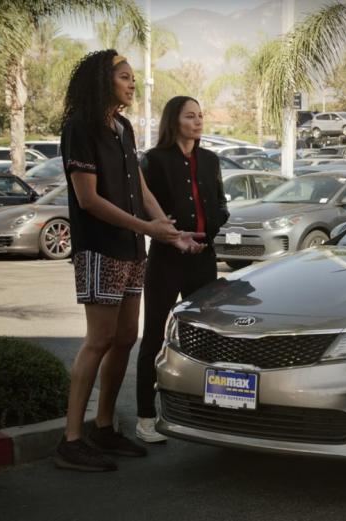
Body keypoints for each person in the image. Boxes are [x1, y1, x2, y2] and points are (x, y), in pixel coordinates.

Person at [56, 50, 203, 472]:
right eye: (124, 76)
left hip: (132, 249)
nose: (132, 83)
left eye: (132, 77)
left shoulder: (122, 128)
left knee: (124, 339)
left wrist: (170, 232)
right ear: (103, 81)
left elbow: (139, 189)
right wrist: (149, 229)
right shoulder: (79, 128)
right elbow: (88, 200)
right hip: (100, 247)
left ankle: (104, 428)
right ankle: (71, 440)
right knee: (98, 340)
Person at [135, 96, 229, 442]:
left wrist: (214, 226)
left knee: (206, 338)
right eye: (190, 116)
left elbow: (219, 203)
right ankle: (145, 417)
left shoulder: (210, 159)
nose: (198, 121)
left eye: (201, 115)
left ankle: (206, 414)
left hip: (204, 257)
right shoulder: (154, 160)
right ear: (174, 121)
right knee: (155, 336)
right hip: (166, 256)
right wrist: (172, 232)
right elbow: (144, 206)